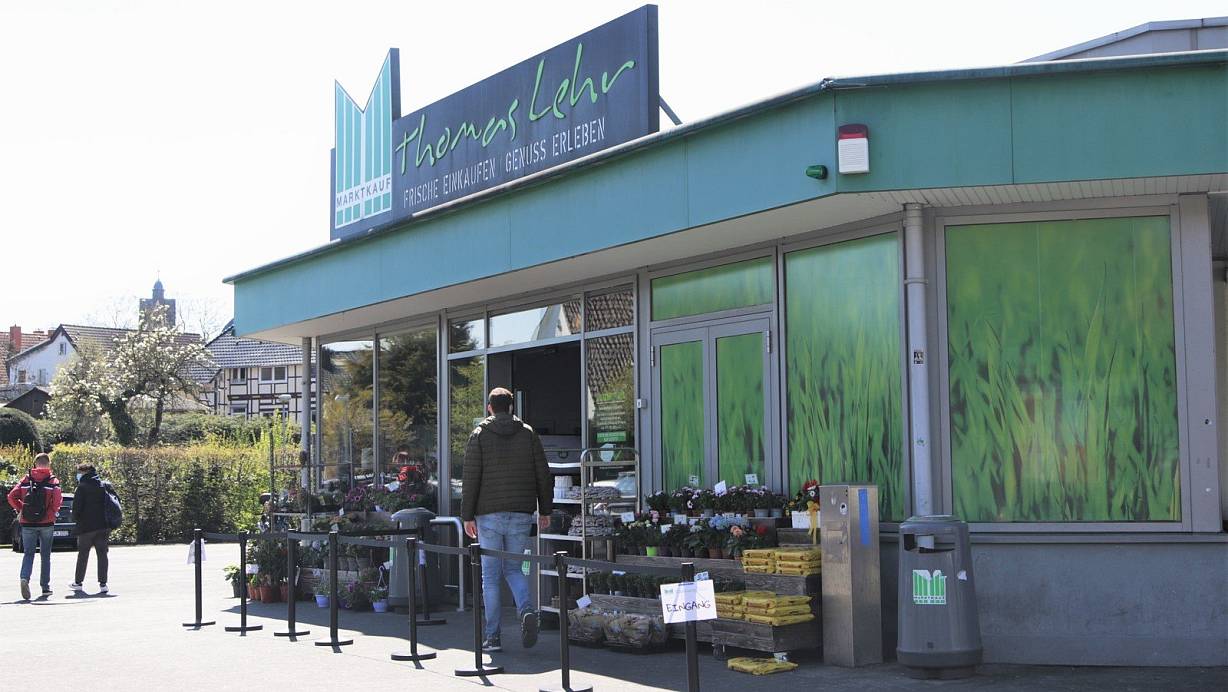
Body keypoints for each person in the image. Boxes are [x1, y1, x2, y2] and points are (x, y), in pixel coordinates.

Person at [461, 387, 553, 653]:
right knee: (513, 569)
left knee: (490, 577)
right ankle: (526, 610)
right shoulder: (528, 433)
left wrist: (467, 515)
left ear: (489, 408)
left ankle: (493, 638)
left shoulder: (479, 435)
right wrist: (545, 510)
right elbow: (542, 474)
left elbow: (470, 478)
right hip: (521, 511)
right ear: (511, 407)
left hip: (488, 513)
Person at [7, 453, 64, 600]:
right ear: (48, 464)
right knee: (45, 555)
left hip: (27, 523)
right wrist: (51, 513)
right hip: (47, 523)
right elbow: (57, 501)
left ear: (35, 464)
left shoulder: (26, 480)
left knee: (28, 553)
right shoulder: (53, 481)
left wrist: (21, 509)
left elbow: (11, 496)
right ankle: (45, 587)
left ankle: (24, 577)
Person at [69, 463, 110, 594]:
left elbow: (76, 509)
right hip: (103, 525)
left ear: (83, 472)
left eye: (78, 472)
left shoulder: (82, 487)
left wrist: (75, 519)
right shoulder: (103, 485)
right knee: (102, 554)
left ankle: (78, 582)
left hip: (86, 527)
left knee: (83, 554)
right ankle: (103, 584)